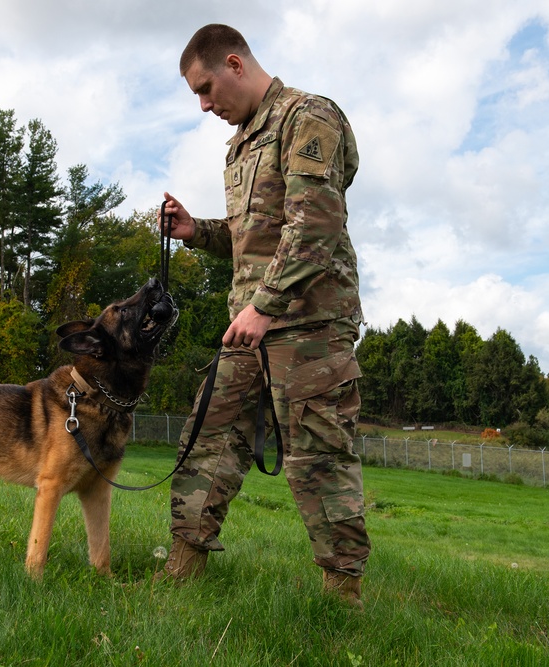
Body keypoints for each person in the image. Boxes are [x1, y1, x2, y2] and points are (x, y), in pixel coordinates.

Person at [157, 24, 371, 606]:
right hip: (248, 323)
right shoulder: (243, 140)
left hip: (308, 324)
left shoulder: (309, 117)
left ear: (234, 63)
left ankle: (340, 595)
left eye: (206, 89)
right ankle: (182, 570)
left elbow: (316, 224)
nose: (205, 106)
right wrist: (195, 231)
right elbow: (256, 235)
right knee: (208, 436)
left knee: (318, 456)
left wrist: (267, 306)